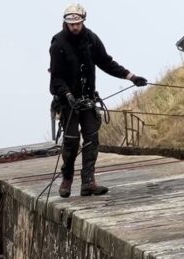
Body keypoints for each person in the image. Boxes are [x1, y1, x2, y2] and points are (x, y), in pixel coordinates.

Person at [50, 3, 148, 198]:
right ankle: (67, 179)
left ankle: (88, 182)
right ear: (66, 23)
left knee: (91, 139)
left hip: (87, 99)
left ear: (83, 21)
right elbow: (56, 79)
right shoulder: (58, 44)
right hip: (68, 101)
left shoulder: (91, 39)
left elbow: (106, 62)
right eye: (71, 24)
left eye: (78, 23)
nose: (75, 27)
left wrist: (131, 76)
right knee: (71, 141)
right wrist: (67, 95)